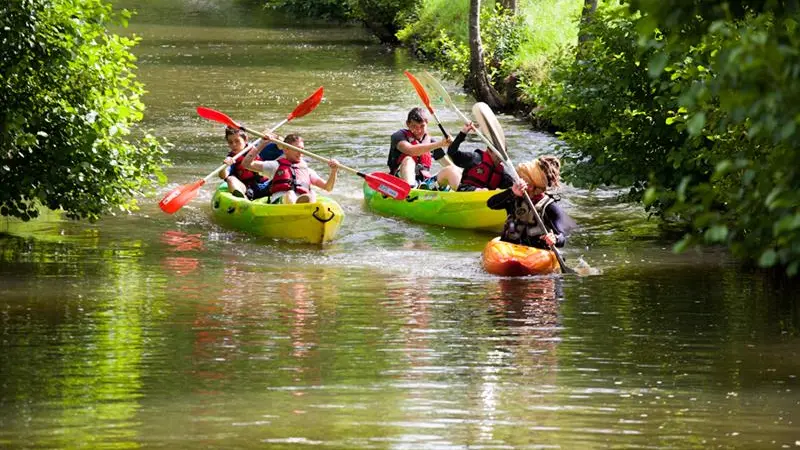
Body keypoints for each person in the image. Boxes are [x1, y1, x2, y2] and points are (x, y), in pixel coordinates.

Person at [487, 156, 573, 250]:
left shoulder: (550, 207)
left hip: (534, 252)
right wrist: (511, 192)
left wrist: (555, 239)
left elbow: (562, 238)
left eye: (524, 179)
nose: (518, 182)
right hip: (508, 249)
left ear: (532, 186)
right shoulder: (513, 197)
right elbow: (491, 204)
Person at [242, 133, 339, 204]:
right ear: (286, 149)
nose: (300, 153)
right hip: (281, 203)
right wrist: (262, 144)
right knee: (290, 194)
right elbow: (246, 164)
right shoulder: (275, 166)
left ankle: (304, 212)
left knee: (312, 194)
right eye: (297, 149)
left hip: (304, 204)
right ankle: (298, 211)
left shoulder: (307, 170)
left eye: (302, 149)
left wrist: (334, 171)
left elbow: (328, 187)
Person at [387, 107, 461, 191]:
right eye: (414, 126)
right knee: (408, 160)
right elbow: (412, 151)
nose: (418, 130)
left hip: (425, 185)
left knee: (452, 169)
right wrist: (441, 143)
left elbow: (448, 164)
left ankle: (464, 191)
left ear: (427, 123)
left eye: (422, 126)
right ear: (407, 124)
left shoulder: (432, 143)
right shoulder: (398, 136)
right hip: (400, 183)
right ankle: (411, 191)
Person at [446, 122, 514, 191]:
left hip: (485, 197)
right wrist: (463, 133)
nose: (501, 156)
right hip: (465, 191)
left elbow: (512, 186)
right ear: (489, 151)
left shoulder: (501, 172)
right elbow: (451, 153)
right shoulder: (475, 158)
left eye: (503, 153)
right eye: (498, 153)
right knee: (483, 190)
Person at [218, 126, 283, 200]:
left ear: (245, 140)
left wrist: (275, 137)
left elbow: (282, 146)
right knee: (230, 179)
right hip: (247, 190)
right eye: (230, 142)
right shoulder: (231, 158)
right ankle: (242, 201)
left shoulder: (259, 147)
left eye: (237, 141)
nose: (234, 145)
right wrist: (224, 166)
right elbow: (223, 176)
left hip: (267, 186)